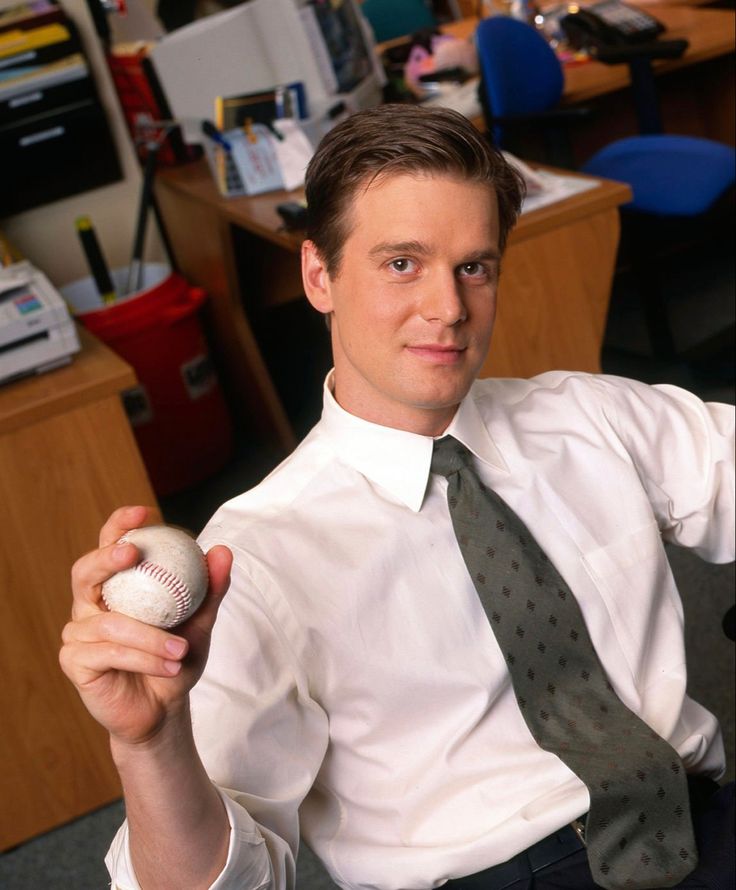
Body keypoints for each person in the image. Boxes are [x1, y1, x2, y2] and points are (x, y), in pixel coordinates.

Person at [60, 104, 735, 890]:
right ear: (320, 275)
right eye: (402, 264)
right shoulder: (253, 557)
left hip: (698, 822)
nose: (448, 309)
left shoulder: (585, 417)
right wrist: (150, 746)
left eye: (473, 267)